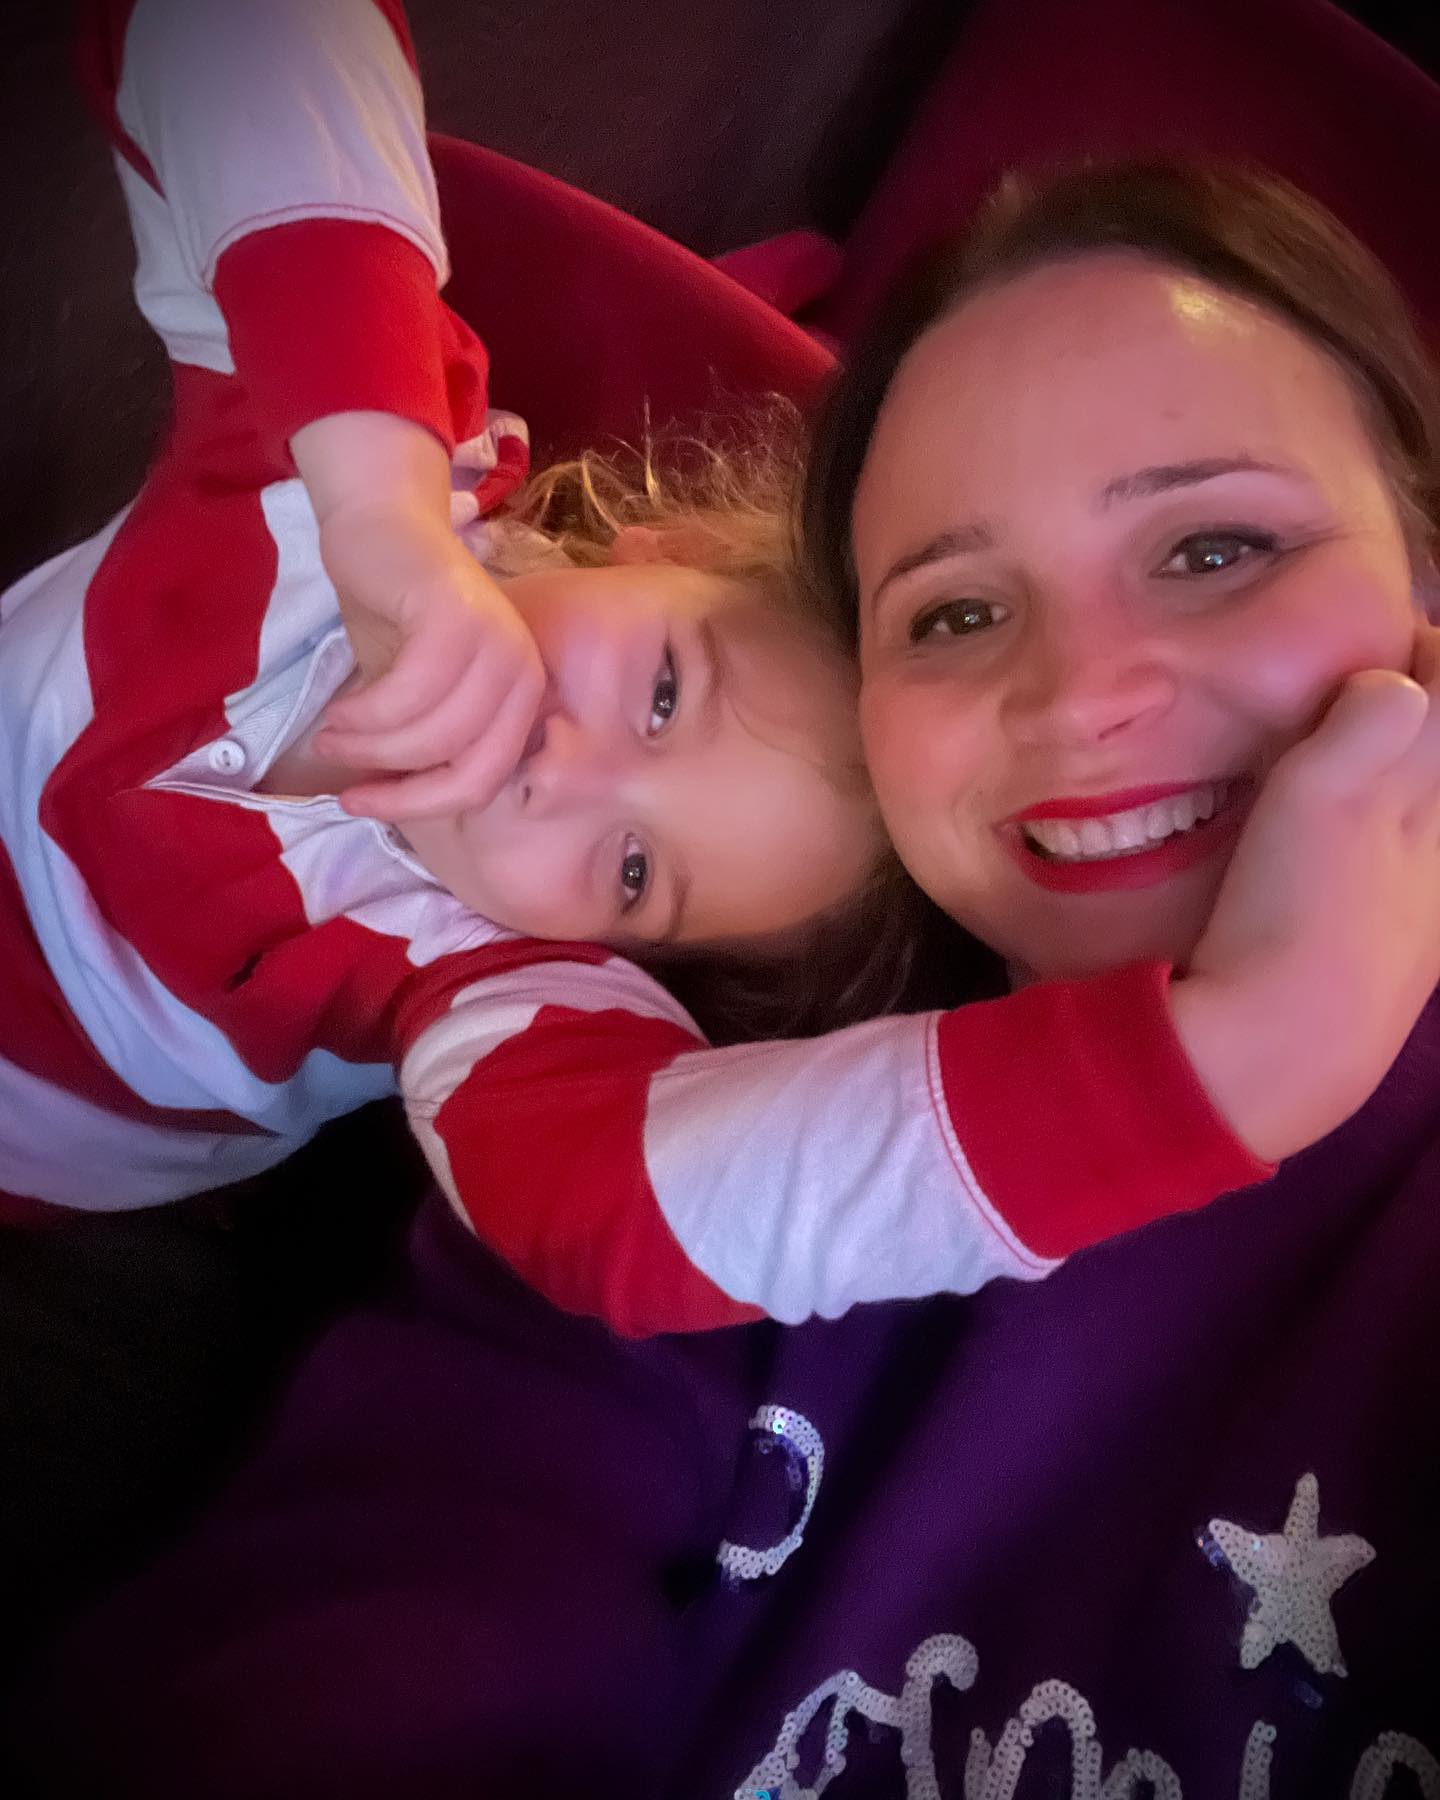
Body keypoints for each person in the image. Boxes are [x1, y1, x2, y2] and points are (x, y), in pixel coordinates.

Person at [7, 157, 1439, 1799]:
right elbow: (392, 1603)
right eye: (956, 610)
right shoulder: (739, 1129)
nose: (1083, 697)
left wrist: (1239, 1061)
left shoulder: (605, 1075)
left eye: (1214, 550)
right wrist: (1242, 1059)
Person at [5, 0, 1428, 1347]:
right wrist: (375, 502)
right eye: (667, 692)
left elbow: (646, 1209)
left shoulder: (494, 992)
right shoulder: (366, 484)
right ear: (651, 546)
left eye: (633, 872)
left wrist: (1239, 1063)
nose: (557, 774)